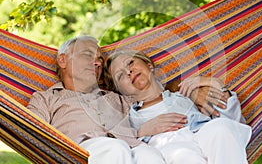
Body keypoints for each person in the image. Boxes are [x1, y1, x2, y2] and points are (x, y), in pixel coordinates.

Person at [27, 36, 166, 164]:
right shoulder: (46, 98)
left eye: (100, 59)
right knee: (114, 149)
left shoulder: (116, 98)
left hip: (130, 146)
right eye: (87, 55)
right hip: (77, 154)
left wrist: (184, 83)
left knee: (149, 154)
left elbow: (154, 97)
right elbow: (30, 130)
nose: (97, 63)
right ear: (63, 60)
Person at [104, 49, 252, 164]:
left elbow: (233, 123)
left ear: (149, 65)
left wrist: (214, 84)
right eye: (120, 76)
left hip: (202, 134)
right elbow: (114, 142)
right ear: (120, 91)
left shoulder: (186, 94)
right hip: (170, 150)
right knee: (183, 156)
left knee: (221, 128)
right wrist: (140, 131)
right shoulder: (128, 118)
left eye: (130, 63)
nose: (129, 71)